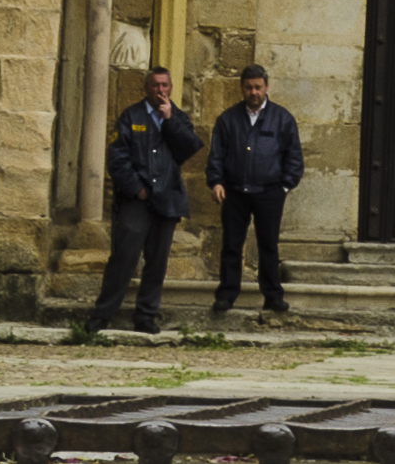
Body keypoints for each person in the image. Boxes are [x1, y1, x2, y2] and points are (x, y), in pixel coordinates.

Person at [92, 65, 198, 334]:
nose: (160, 90)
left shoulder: (179, 117)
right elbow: (117, 158)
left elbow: (189, 148)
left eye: (164, 85)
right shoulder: (131, 116)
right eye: (155, 85)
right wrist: (136, 188)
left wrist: (170, 120)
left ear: (170, 88)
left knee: (157, 262)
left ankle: (146, 315)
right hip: (136, 201)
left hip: (167, 199)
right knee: (124, 257)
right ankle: (102, 314)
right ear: (146, 88)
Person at [201, 63, 306, 319]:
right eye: (249, 87)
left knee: (268, 245)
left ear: (266, 87)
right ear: (242, 88)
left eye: (258, 87)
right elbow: (217, 155)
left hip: (269, 192)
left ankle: (273, 297)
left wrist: (284, 186)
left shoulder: (282, 119)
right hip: (235, 192)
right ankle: (226, 295)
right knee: (232, 245)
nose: (254, 92)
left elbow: (294, 157)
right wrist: (216, 182)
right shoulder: (227, 119)